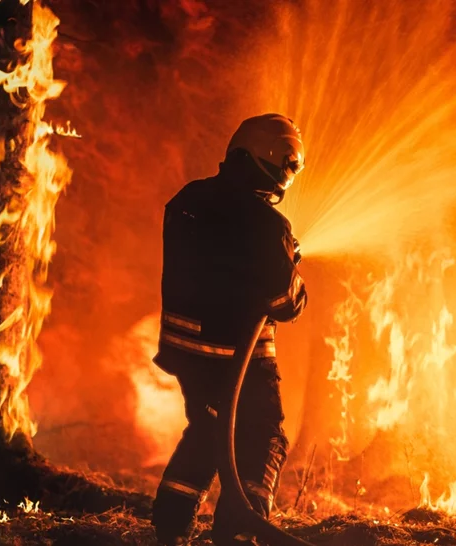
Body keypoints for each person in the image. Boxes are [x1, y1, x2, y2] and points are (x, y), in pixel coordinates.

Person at [151, 113, 309, 545]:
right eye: (289, 166)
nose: (287, 176)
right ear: (272, 160)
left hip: (187, 355)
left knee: (207, 431)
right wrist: (292, 266)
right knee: (263, 437)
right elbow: (283, 305)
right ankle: (243, 528)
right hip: (241, 363)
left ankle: (169, 522)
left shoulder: (187, 201)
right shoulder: (267, 224)